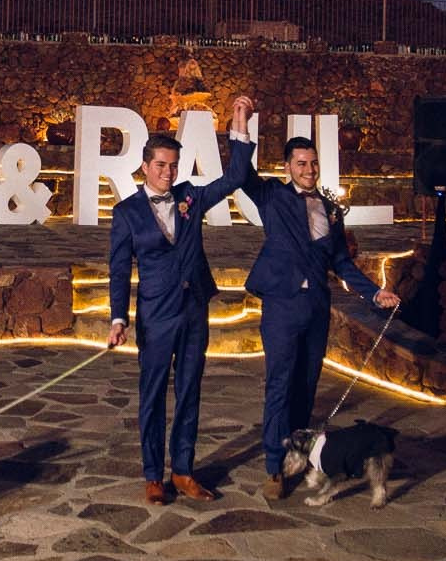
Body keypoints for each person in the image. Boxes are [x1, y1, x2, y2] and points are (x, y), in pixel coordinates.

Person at [107, 96, 255, 505]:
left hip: (194, 311)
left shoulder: (191, 197)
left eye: (173, 165)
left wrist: (239, 123)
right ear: (144, 166)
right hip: (155, 315)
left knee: (190, 390)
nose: (168, 173)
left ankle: (184, 470)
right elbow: (120, 270)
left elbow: (237, 176)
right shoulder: (127, 213)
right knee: (152, 396)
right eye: (161, 165)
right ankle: (154, 475)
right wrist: (118, 318)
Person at [243, 135, 400, 500]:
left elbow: (341, 262)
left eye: (313, 163)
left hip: (316, 307)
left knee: (306, 385)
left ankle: (299, 453)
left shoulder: (331, 209)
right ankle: (275, 467)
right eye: (301, 163)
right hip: (281, 306)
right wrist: (241, 129)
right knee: (279, 386)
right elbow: (240, 172)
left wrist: (375, 292)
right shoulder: (272, 196)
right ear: (287, 167)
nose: (309, 170)